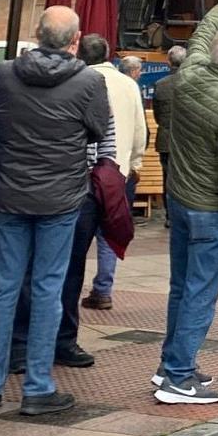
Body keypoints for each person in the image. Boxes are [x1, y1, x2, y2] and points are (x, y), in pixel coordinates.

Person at [0, 7, 112, 418]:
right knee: (49, 288)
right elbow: (99, 129)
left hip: (10, 194)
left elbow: (3, 123)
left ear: (37, 35)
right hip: (60, 197)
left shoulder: (6, 73)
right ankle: (37, 387)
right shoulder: (90, 80)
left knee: (3, 287)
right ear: (76, 39)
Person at [154, 0, 218, 405]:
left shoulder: (190, 72)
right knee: (201, 292)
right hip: (213, 209)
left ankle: (171, 365)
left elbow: (199, 34)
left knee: (182, 286)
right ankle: (178, 376)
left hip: (180, 196)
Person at [80, 46, 148, 312]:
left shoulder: (78, 79)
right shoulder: (129, 85)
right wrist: (135, 162)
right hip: (117, 170)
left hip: (84, 169)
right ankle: (103, 289)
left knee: (78, 233)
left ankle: (69, 285)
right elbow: (139, 130)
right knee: (110, 229)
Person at [150, 44, 188, 226]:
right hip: (188, 140)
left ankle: (170, 217)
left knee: (167, 178)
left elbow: (157, 115)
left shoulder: (160, 85)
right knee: (187, 177)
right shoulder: (192, 83)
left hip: (165, 138)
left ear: (168, 62)